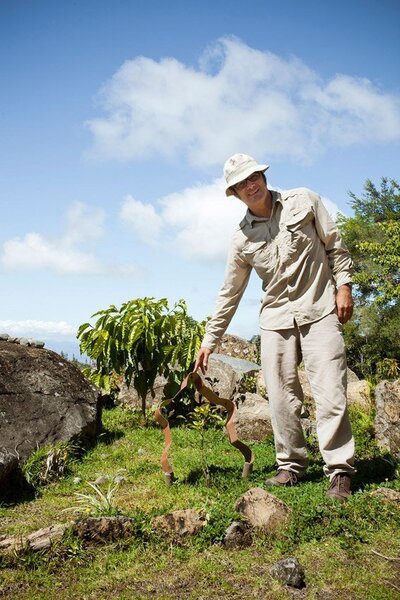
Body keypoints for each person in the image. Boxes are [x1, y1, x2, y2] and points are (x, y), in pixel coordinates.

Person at [194, 153, 355, 502]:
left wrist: (344, 286)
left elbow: (335, 246)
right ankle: (291, 465)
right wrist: (209, 341)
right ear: (234, 194)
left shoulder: (304, 200)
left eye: (253, 177)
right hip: (276, 320)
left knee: (330, 393)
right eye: (240, 184)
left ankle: (339, 471)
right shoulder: (240, 239)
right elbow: (229, 293)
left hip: (320, 310)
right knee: (281, 399)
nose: (250, 186)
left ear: (263, 177)